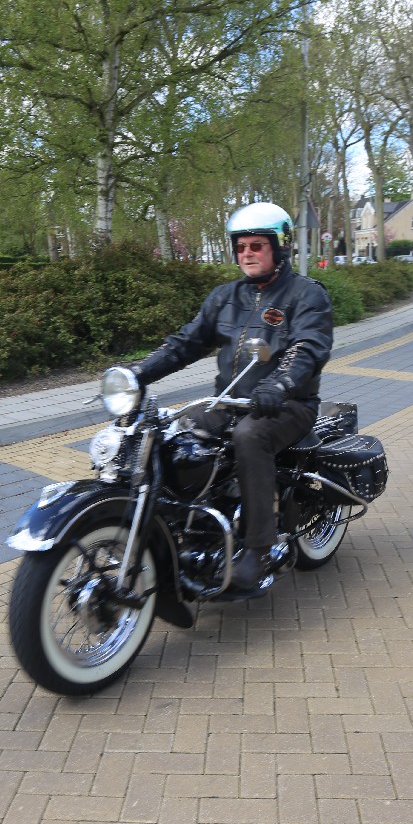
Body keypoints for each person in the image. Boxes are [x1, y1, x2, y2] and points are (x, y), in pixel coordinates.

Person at [130, 202, 334, 600]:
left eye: (257, 245)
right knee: (173, 433)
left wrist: (280, 384)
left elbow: (308, 346)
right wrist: (137, 373)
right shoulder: (224, 297)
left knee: (249, 437)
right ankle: (184, 522)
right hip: (229, 402)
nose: (247, 254)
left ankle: (258, 550)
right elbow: (185, 344)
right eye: (241, 247)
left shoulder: (307, 294)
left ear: (280, 246)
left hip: (288, 405)